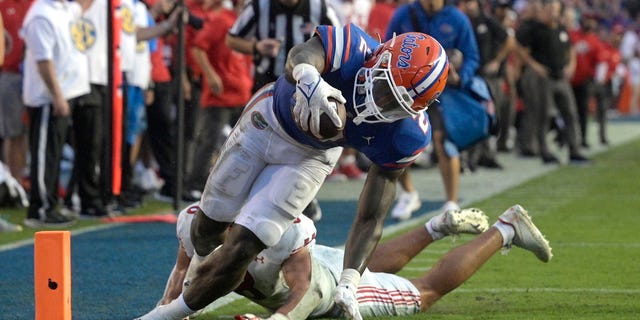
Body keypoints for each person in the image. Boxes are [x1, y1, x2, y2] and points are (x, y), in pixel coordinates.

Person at [134, 24, 450, 320]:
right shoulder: (353, 48)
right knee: (207, 229)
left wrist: (350, 279)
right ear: (378, 58)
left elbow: (371, 215)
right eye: (384, 88)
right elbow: (300, 54)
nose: (381, 104)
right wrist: (308, 76)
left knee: (247, 244)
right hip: (269, 120)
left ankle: (162, 317)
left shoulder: (406, 134)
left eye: (396, 104)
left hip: (312, 157)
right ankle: (191, 288)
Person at [143, 203, 551, 319]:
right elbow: (185, 270)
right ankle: (437, 227)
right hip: (304, 266)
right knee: (368, 267)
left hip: (320, 282)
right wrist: (167, 311)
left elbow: (305, 291)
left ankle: (507, 228)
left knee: (421, 295)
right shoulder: (195, 220)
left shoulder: (283, 228)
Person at [385, 0, 481, 220]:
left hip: (443, 92)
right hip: (405, 91)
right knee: (392, 140)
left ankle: (451, 201)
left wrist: (461, 77)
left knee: (444, 141)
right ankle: (409, 193)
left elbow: (472, 56)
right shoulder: (404, 14)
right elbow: (385, 48)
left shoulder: (457, 18)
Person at [21, 0, 91, 228]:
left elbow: (82, 5)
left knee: (54, 154)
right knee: (45, 155)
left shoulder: (61, 9)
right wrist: (57, 95)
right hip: (46, 98)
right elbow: (43, 60)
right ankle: (39, 208)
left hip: (62, 93)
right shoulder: (41, 15)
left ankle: (51, 204)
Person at [514, 0, 589, 164]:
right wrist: (535, 66)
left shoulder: (562, 29)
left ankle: (574, 149)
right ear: (544, 10)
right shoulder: (534, 29)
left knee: (570, 112)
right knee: (543, 114)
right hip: (544, 77)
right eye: (550, 9)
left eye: (555, 10)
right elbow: (521, 49)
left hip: (561, 76)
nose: (552, 13)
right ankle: (544, 151)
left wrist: (571, 65)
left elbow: (571, 49)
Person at [0, 0, 32, 189]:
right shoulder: (3, 6)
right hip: (10, 73)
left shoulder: (35, 4)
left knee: (27, 132)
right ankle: (13, 181)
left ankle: (22, 177)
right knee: (12, 133)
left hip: (32, 76)